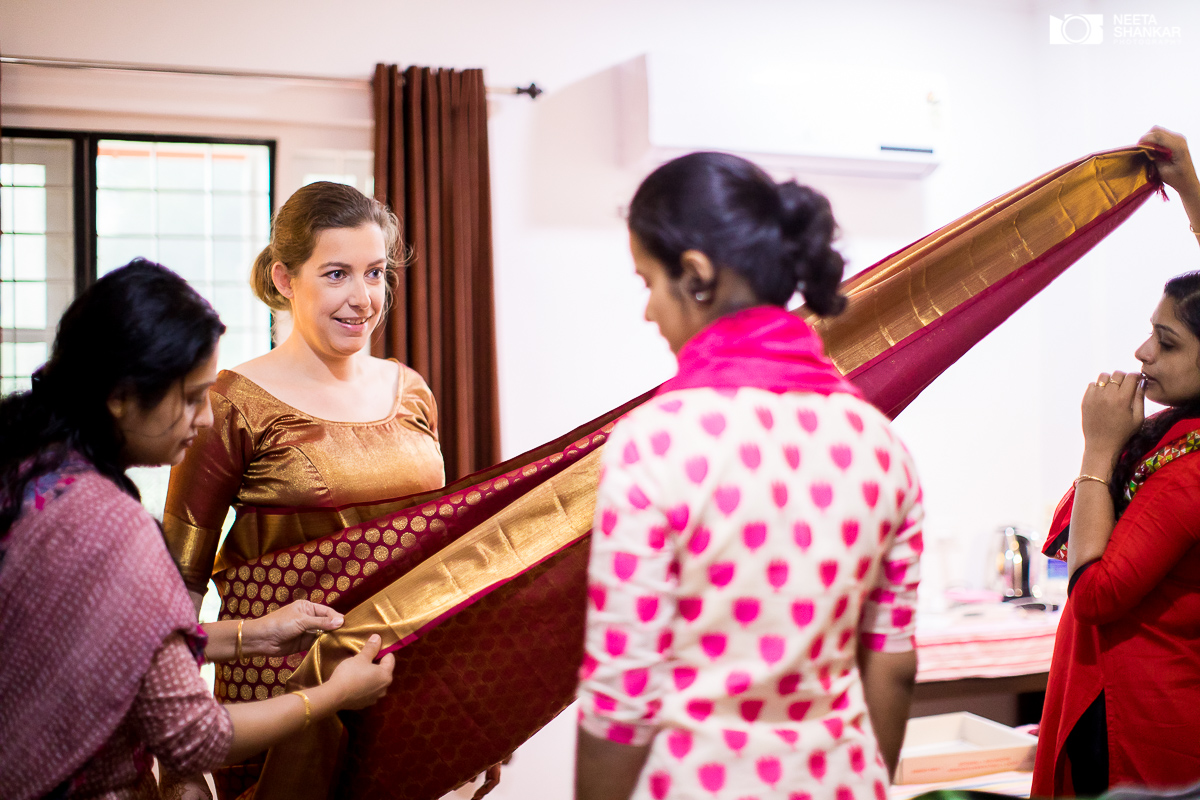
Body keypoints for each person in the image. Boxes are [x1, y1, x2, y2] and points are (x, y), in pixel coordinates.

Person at [574, 152, 925, 800]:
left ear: (696, 276)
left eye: (648, 281)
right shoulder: (880, 443)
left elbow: (622, 693)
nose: (649, 311)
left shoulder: (656, 442)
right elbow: (893, 661)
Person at [0, 259, 394, 800]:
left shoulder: (31, 469)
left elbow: (123, 644)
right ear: (120, 396)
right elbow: (195, 738)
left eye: (375, 272)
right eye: (189, 398)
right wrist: (332, 696)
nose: (206, 417)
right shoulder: (109, 526)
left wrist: (255, 634)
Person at [160, 181, 447, 798]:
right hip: (279, 701)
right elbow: (175, 593)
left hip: (397, 687)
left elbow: (436, 556)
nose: (362, 299)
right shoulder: (233, 404)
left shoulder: (411, 390)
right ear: (286, 280)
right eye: (337, 273)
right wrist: (181, 767)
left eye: (375, 273)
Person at [1033, 127, 1200, 796]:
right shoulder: (1170, 432)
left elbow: (1097, 593)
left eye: (1166, 342)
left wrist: (1098, 451)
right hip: (1111, 691)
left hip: (1138, 718)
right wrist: (1188, 189)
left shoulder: (1190, 469)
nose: (1141, 354)